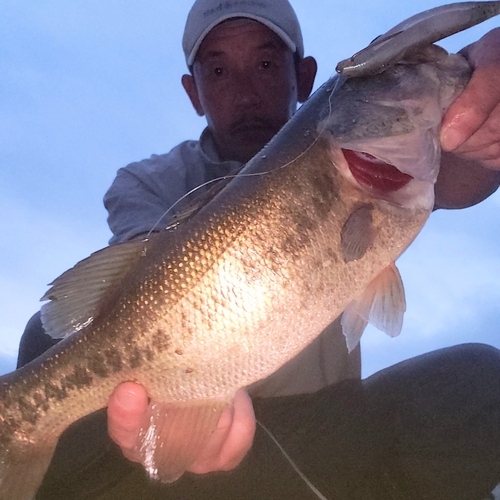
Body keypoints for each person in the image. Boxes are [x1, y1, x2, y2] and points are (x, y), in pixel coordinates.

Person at [17, 0, 500, 498]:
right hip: (184, 434)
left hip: (323, 430)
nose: (244, 91)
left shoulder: (378, 159)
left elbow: (462, 174)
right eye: (219, 69)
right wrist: (186, 402)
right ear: (193, 92)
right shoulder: (147, 181)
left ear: (304, 76)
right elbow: (138, 283)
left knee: (479, 383)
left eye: (266, 64)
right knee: (44, 342)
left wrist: (479, 120)